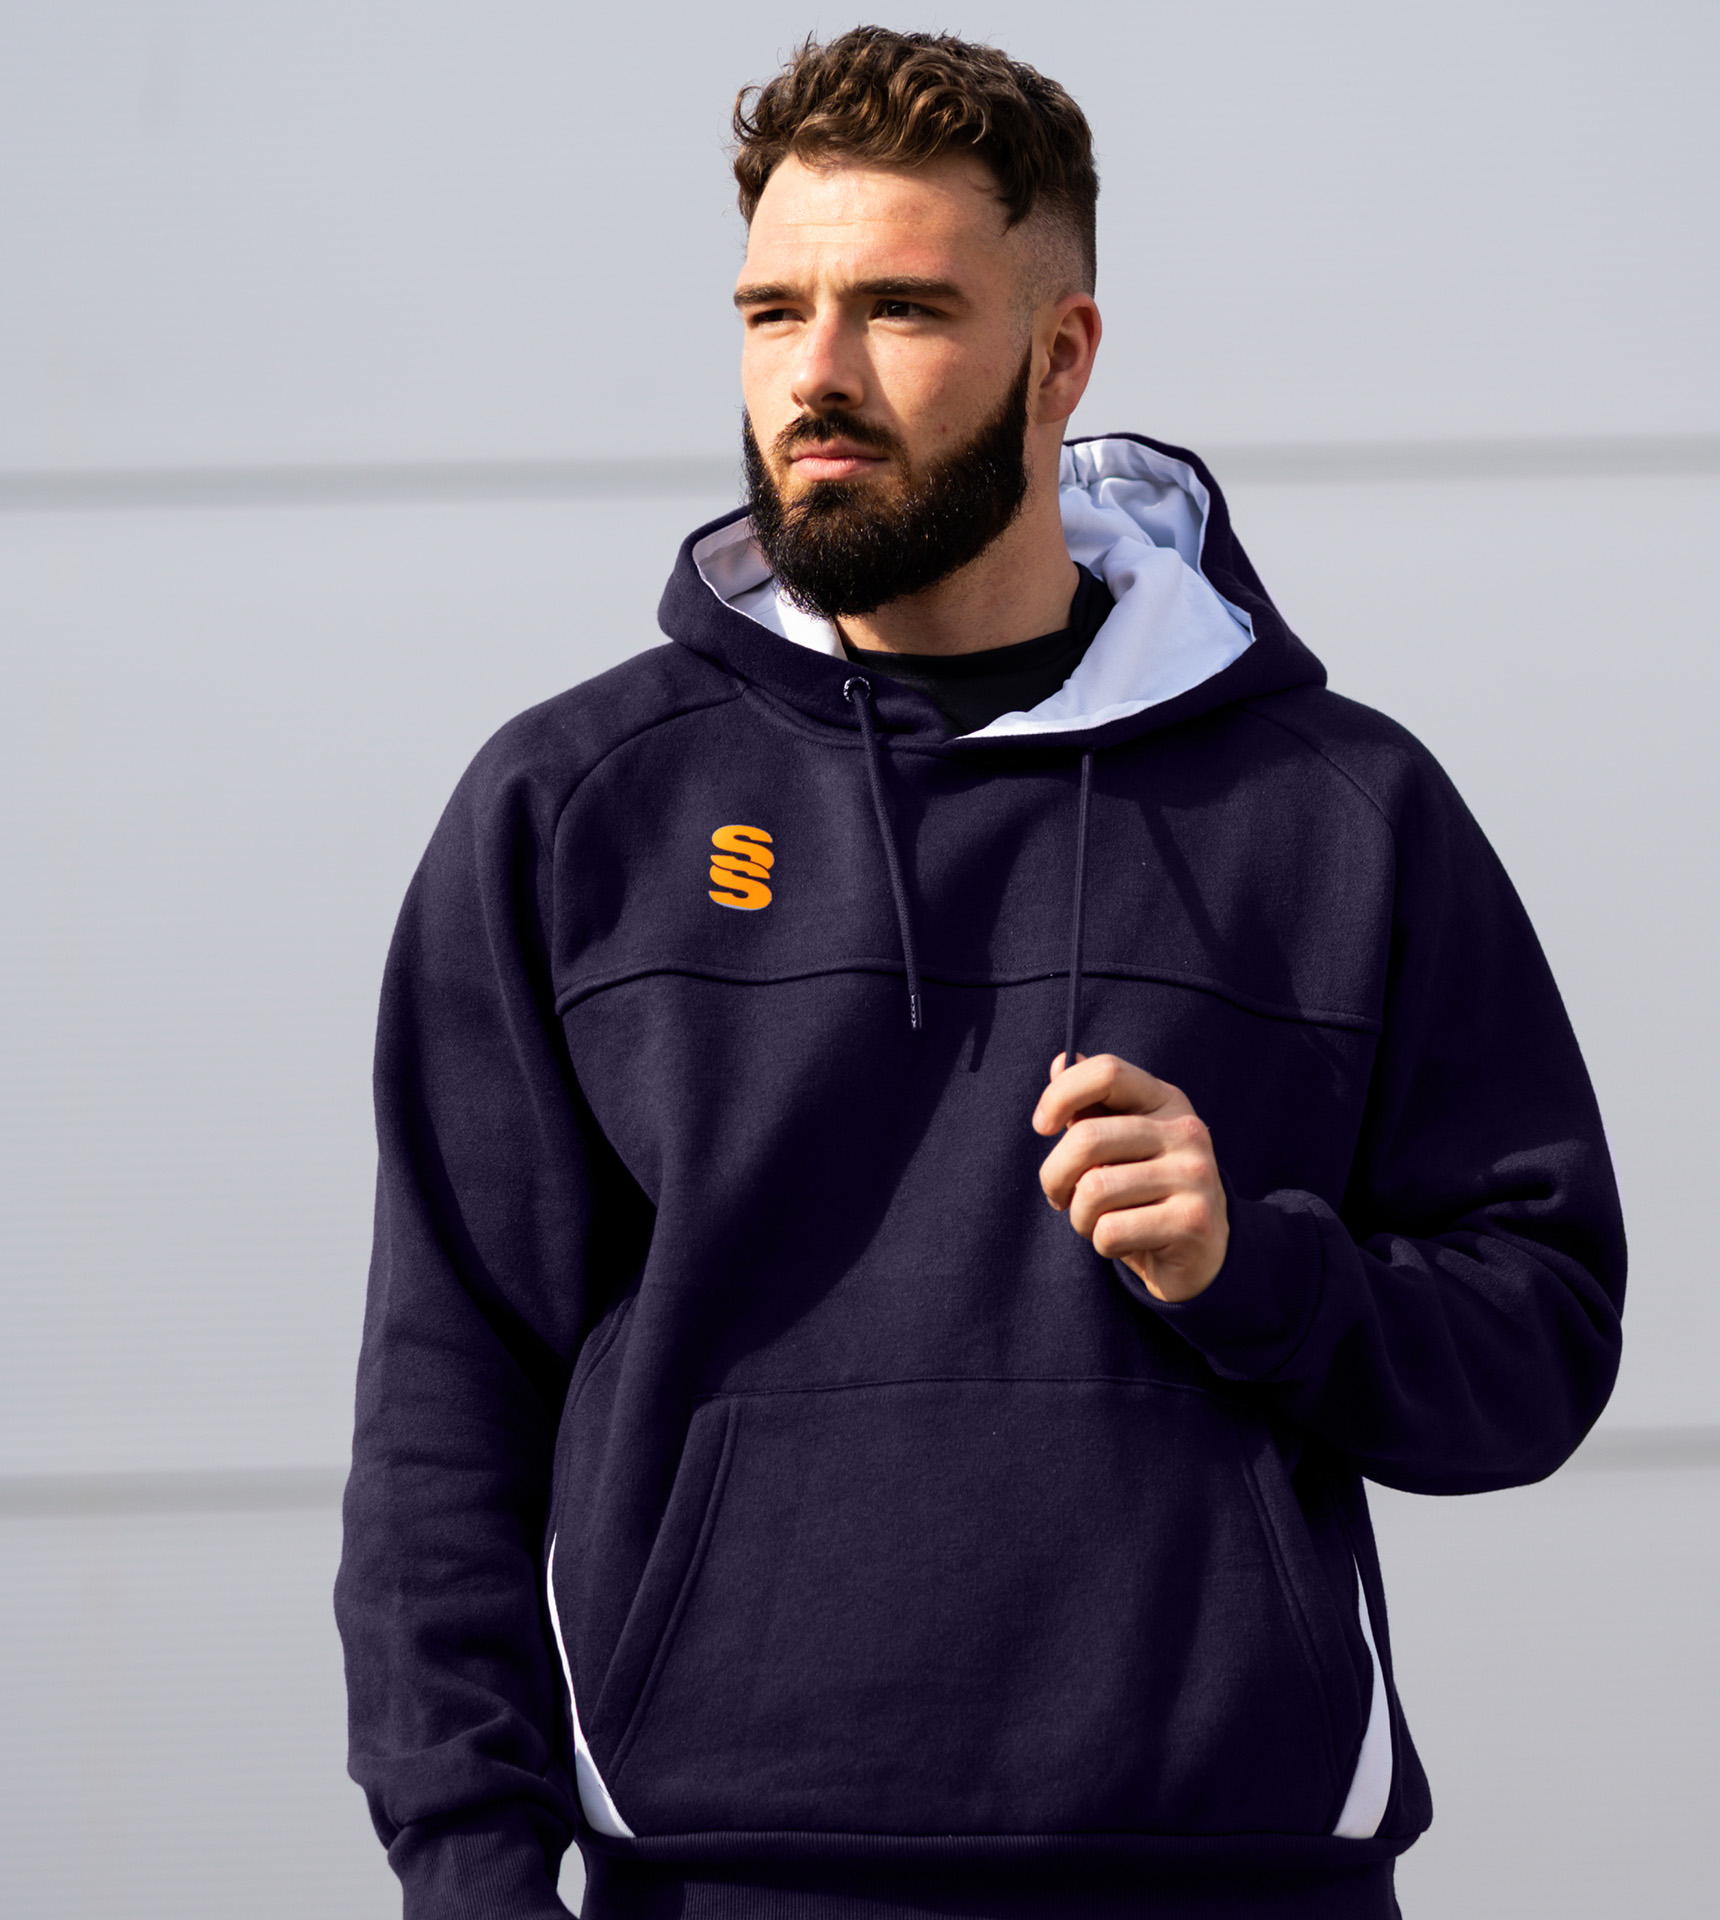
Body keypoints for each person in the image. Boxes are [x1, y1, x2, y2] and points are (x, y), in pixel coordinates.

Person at [337, 27, 1626, 1920]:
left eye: (902, 309)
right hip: (719, 1884)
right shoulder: (576, 809)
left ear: (1062, 354)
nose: (817, 373)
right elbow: (442, 1415)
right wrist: (468, 1876)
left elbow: (1541, 1348)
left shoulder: (1338, 811)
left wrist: (1258, 1275)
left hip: (1236, 1882)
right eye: (773, 312)